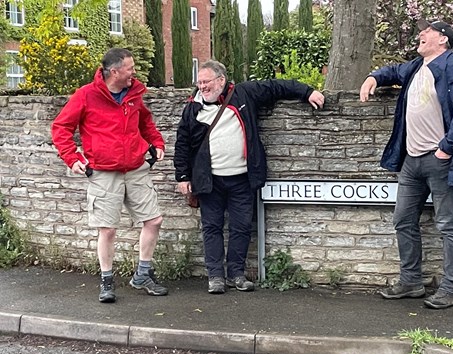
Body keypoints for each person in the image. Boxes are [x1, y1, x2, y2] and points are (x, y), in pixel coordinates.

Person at [359, 19, 453, 309]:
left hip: (439, 159)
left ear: (443, 40)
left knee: (448, 225)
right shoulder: (416, 67)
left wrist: (446, 149)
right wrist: (374, 77)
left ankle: (451, 289)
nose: (421, 33)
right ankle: (411, 282)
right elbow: (393, 71)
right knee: (403, 221)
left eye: (428, 31)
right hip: (412, 161)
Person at [175, 60, 325, 294]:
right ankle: (215, 276)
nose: (202, 87)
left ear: (221, 81)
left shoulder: (244, 93)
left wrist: (307, 92)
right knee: (211, 227)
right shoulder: (192, 108)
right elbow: (182, 143)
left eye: (206, 82)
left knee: (241, 227)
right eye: (200, 82)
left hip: (241, 178)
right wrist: (182, 176)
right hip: (209, 180)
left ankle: (237, 274)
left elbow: (276, 87)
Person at [51, 48, 168, 303]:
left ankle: (143, 274)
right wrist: (72, 158)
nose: (134, 72)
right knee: (108, 230)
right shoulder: (86, 95)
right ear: (114, 71)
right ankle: (107, 281)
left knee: (154, 220)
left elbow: (145, 122)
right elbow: (61, 127)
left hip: (136, 168)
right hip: (104, 172)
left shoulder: (134, 93)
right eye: (130, 67)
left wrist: (156, 143)